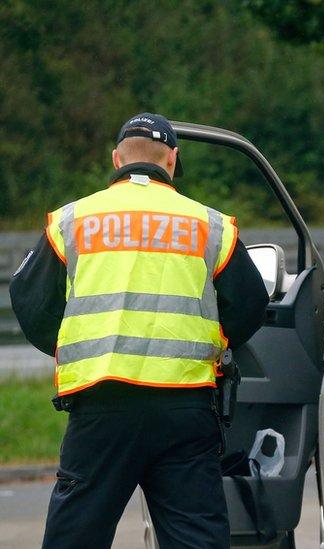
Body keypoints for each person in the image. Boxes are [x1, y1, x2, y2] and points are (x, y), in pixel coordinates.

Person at [9, 113, 269, 549]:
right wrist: (213, 347)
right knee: (196, 539)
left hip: (100, 407)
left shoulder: (71, 222)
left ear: (117, 159)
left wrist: (75, 346)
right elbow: (250, 307)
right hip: (185, 412)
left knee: (76, 536)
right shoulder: (211, 225)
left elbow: (31, 304)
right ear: (171, 160)